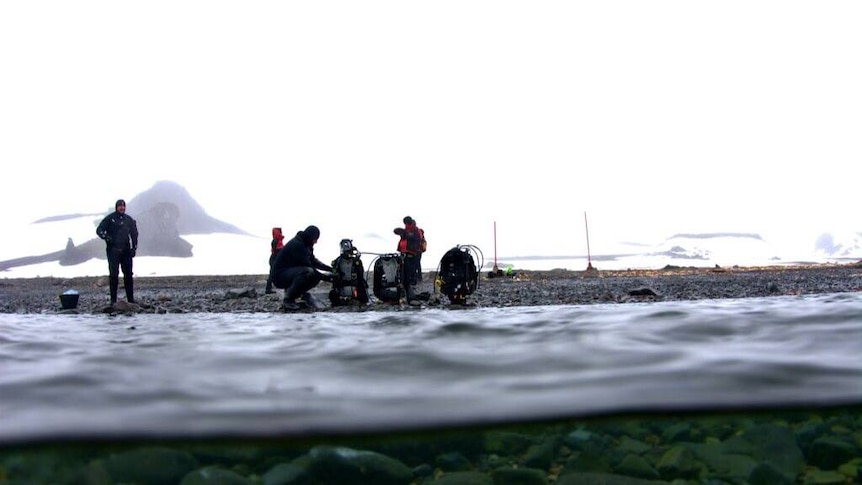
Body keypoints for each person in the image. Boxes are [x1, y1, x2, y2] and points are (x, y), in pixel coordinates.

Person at [270, 225, 334, 311]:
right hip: (279, 276)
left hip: (291, 273)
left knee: (315, 276)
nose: (316, 242)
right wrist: (328, 278)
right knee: (308, 272)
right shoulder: (297, 245)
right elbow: (308, 265)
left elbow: (313, 261)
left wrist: (331, 269)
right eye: (315, 239)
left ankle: (301, 294)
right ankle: (288, 300)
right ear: (311, 237)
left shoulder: (306, 244)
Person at [96, 199, 139, 305]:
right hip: (113, 251)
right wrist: (106, 237)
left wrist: (134, 248)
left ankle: (130, 299)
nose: (122, 208)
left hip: (126, 251)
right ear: (116, 207)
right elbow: (99, 230)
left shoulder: (129, 220)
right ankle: (113, 300)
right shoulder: (110, 219)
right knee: (114, 275)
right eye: (120, 206)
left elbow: (134, 234)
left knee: (128, 275)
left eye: (123, 206)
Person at [394, 216, 425, 305]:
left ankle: (411, 292)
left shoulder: (416, 231)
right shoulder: (408, 230)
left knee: (410, 274)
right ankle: (405, 291)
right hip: (405, 254)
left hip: (412, 254)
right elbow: (396, 231)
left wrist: (404, 234)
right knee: (403, 273)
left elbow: (414, 239)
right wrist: (403, 233)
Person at [264, 227, 284, 294]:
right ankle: (268, 289)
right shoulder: (277, 241)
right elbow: (277, 251)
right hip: (275, 259)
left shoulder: (277, 240)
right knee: (272, 274)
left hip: (274, 259)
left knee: (273, 274)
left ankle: (268, 288)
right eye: (280, 232)